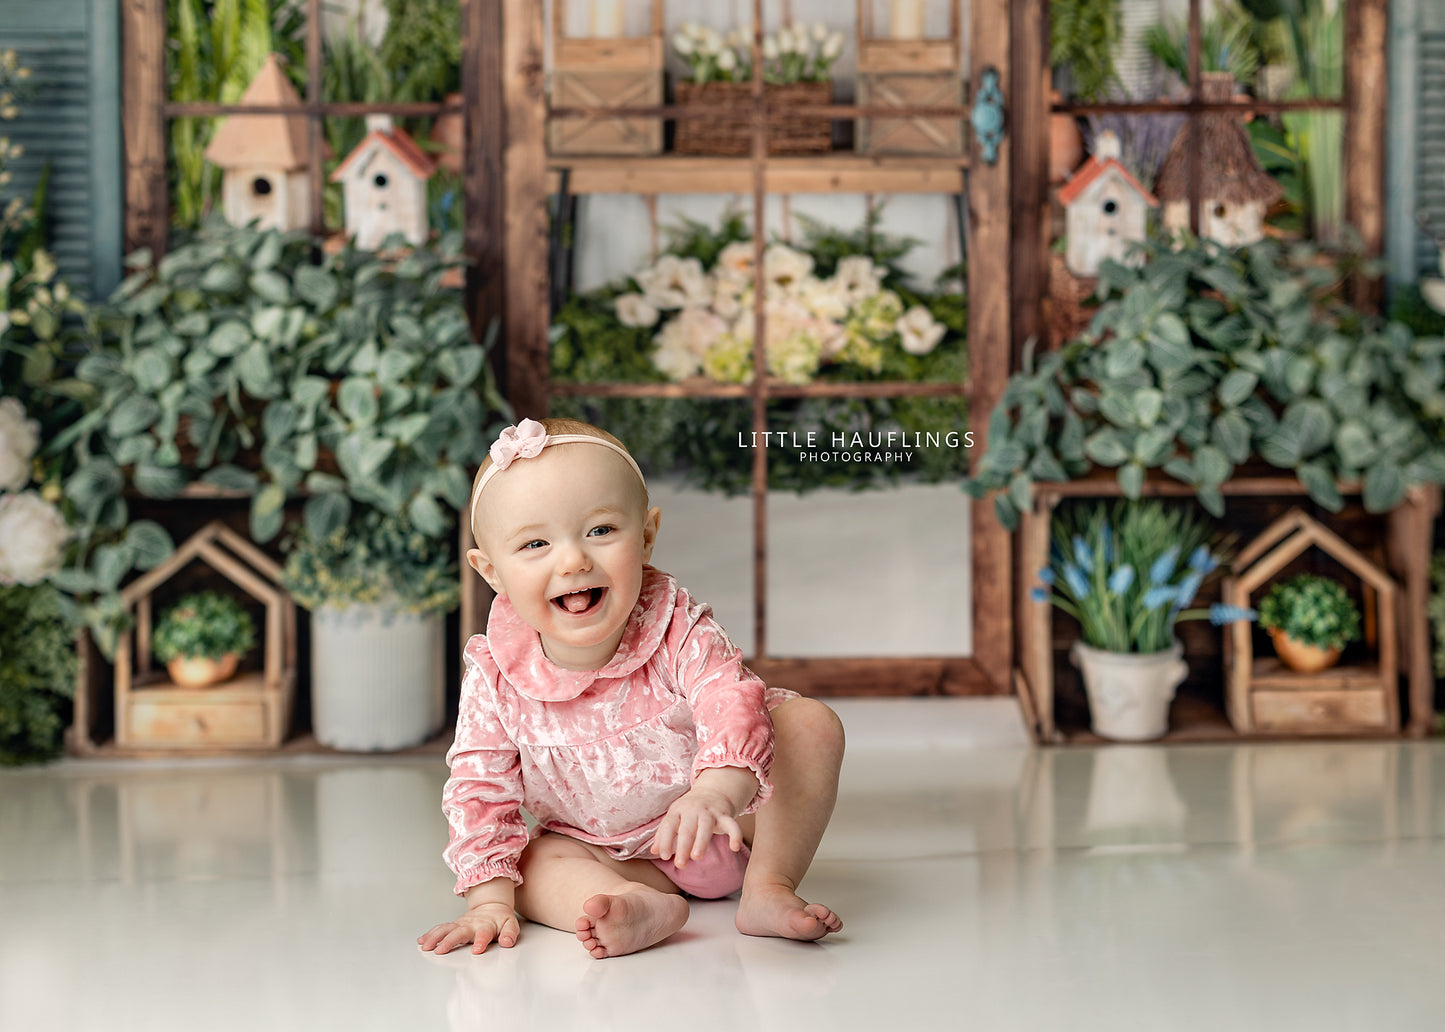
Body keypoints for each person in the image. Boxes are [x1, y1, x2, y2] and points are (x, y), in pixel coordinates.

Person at [417, 417, 846, 960]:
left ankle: (768, 888)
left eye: (600, 531)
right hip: (608, 852)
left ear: (645, 536)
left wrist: (716, 791)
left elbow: (727, 696)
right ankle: (630, 903)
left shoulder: (675, 624)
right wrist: (488, 901)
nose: (573, 560)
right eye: (535, 544)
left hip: (729, 823)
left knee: (809, 725)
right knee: (535, 863)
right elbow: (480, 789)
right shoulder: (496, 673)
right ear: (491, 571)